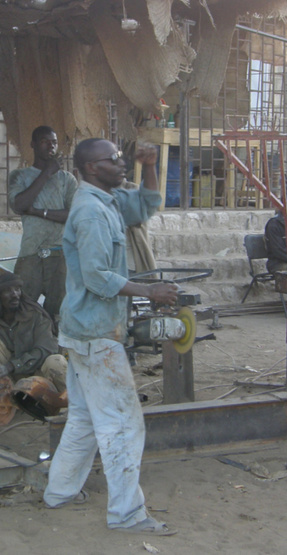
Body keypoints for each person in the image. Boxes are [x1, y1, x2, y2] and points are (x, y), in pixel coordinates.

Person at [42, 139, 178, 536]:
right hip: (94, 332)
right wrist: (149, 291)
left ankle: (60, 493)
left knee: (84, 418)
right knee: (123, 424)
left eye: (121, 157)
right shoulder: (89, 213)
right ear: (89, 167)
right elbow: (97, 277)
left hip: (86, 329)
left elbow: (148, 204)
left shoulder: (111, 199)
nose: (121, 163)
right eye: (112, 159)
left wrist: (150, 165)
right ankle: (127, 515)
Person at [8, 126, 78, 322]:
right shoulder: (19, 176)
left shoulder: (67, 179)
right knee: (22, 307)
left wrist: (39, 212)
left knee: (58, 312)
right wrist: (46, 173)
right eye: (45, 141)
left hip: (60, 254)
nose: (51, 146)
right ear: (33, 144)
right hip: (31, 253)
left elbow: (73, 215)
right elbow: (20, 205)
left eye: (54, 142)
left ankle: (54, 349)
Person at [0, 271, 67, 391]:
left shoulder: (35, 315)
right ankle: (11, 395)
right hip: (13, 378)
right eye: (7, 291)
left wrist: (12, 366)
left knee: (56, 361)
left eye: (17, 289)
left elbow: (46, 350)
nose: (15, 294)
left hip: (40, 375)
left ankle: (66, 402)